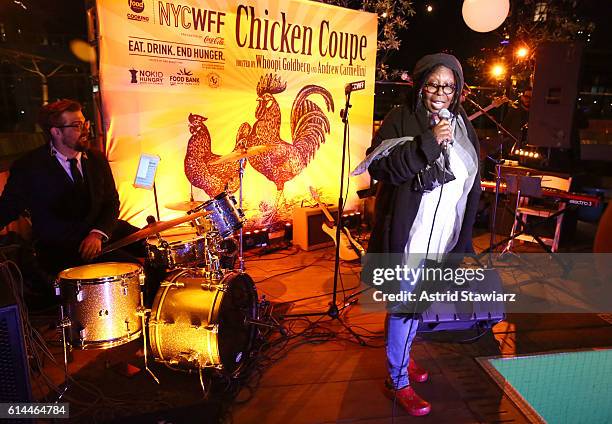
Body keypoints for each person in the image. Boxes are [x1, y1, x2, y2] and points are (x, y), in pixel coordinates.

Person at [365, 53, 481, 416]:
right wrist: (427, 142)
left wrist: (462, 242)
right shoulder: (401, 119)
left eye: (449, 86)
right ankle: (397, 379)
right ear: (420, 84)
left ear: (458, 90)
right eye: (433, 84)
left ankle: (404, 354)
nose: (440, 92)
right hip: (408, 236)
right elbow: (382, 167)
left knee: (419, 303)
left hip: (443, 236)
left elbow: (470, 187)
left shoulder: (464, 127)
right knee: (403, 306)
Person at [0, 99, 139, 284]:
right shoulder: (29, 167)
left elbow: (111, 201)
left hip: (103, 233)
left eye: (85, 123)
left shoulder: (97, 158)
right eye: (76, 125)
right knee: (134, 267)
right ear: (56, 132)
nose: (85, 130)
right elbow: (8, 207)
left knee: (154, 247)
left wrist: (98, 233)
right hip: (64, 248)